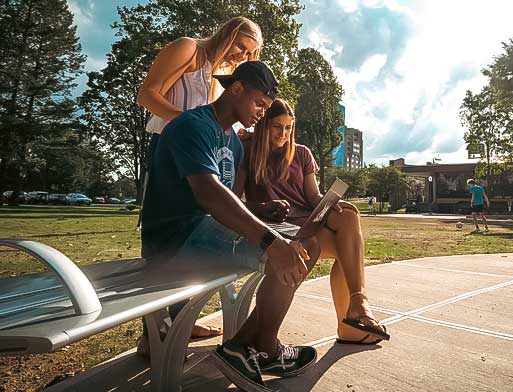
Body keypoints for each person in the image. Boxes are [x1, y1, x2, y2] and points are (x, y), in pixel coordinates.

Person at [142, 61, 318, 390]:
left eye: (265, 107)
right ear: (236, 89)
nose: (261, 113)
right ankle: (257, 348)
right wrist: (270, 242)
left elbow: (229, 201)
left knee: (307, 244)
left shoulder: (234, 143)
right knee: (291, 249)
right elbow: (208, 194)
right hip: (175, 239)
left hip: (205, 231)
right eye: (259, 104)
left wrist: (260, 208)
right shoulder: (192, 125)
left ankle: (253, 345)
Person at [135, 16, 263, 345]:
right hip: (169, 149)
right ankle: (152, 335)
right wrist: (190, 127)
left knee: (196, 235)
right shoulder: (188, 48)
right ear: (226, 34)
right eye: (240, 45)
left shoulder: (218, 80)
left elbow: (212, 121)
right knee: (168, 239)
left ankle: (179, 322)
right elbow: (147, 94)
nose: (240, 55)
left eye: (248, 53)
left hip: (195, 156)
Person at [235, 98, 390, 347]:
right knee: (345, 250)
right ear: (264, 125)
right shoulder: (248, 150)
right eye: (277, 127)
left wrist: (332, 203)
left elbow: (312, 196)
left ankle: (358, 304)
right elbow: (234, 202)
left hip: (308, 223)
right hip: (279, 230)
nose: (283, 134)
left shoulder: (302, 153)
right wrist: (262, 207)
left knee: (349, 216)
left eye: (288, 128)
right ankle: (348, 322)